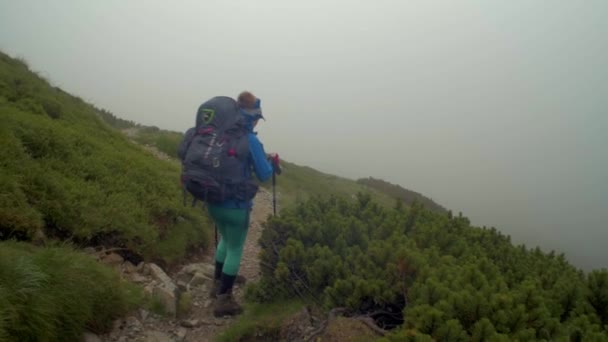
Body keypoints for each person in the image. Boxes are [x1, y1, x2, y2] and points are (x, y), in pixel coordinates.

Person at [209, 91, 279, 317]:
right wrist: (272, 164)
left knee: (225, 240)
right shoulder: (250, 140)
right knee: (236, 248)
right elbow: (264, 174)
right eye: (258, 117)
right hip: (236, 205)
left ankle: (216, 284)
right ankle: (224, 300)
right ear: (252, 117)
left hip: (213, 200)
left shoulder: (220, 133)